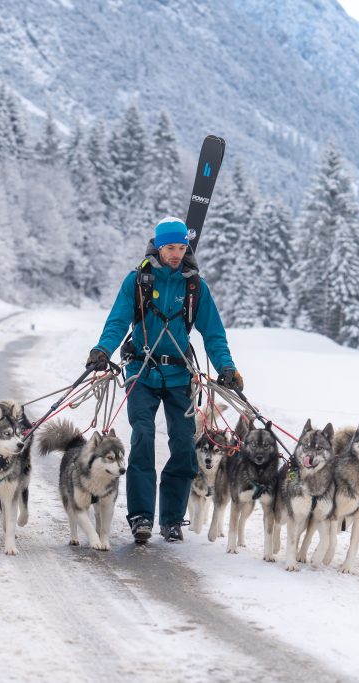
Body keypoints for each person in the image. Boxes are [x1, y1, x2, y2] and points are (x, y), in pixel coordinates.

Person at [86, 216, 243, 544]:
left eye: (181, 248)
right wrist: (102, 350)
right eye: (170, 247)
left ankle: (172, 518)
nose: (175, 254)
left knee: (184, 443)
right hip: (140, 371)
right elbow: (118, 321)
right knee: (143, 437)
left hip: (179, 374)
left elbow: (214, 333)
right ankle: (141, 516)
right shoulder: (138, 281)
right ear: (158, 246)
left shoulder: (194, 286)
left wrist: (227, 367)